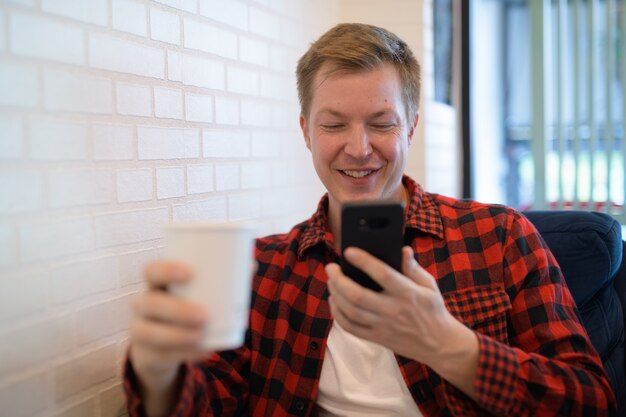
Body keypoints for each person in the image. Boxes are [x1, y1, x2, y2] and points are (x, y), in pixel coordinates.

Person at [124, 23, 616, 416]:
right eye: (334, 125)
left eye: (382, 124)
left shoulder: (501, 235)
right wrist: (159, 373)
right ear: (306, 132)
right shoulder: (263, 269)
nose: (359, 149)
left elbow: (590, 400)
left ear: (412, 127)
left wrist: (449, 345)